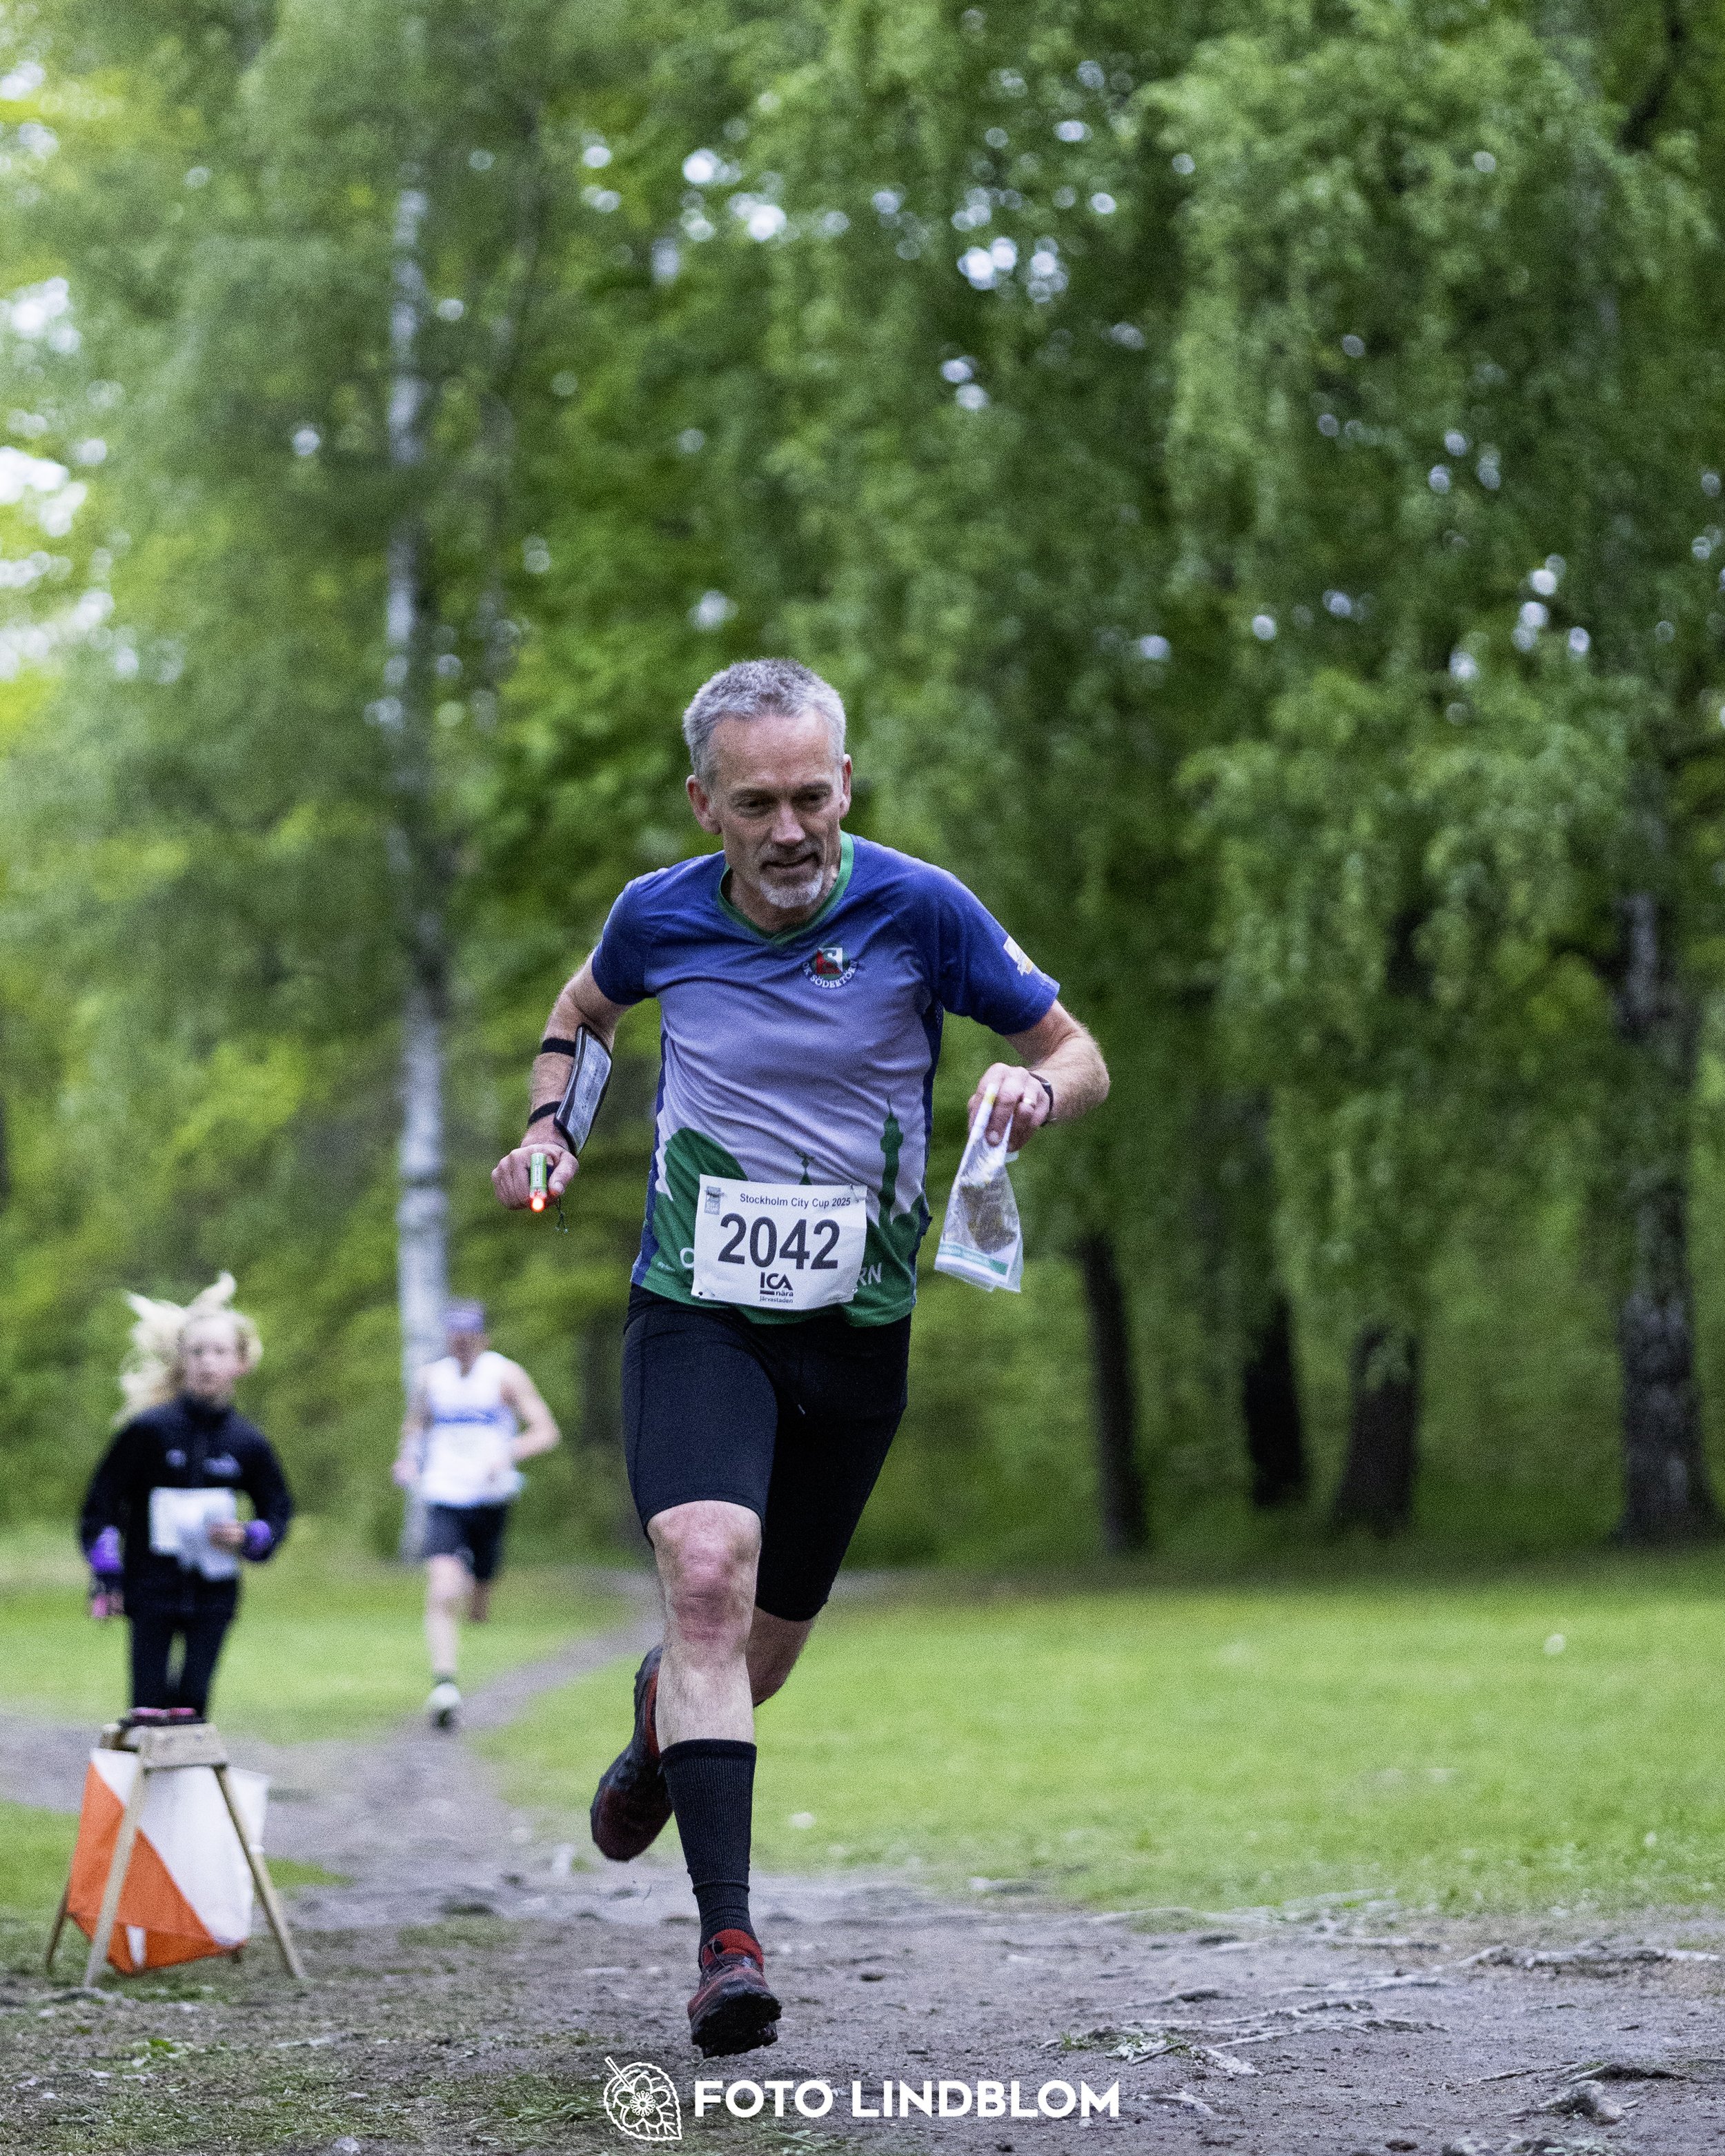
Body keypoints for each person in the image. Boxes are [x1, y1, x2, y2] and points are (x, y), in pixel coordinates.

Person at [491, 659, 1109, 2056]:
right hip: (696, 1313)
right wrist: (551, 1131)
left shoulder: (920, 907)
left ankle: (661, 1733)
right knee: (703, 1576)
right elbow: (581, 1014)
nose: (787, 830)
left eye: (810, 796)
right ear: (702, 800)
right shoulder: (656, 914)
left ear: (847, 786)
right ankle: (727, 1947)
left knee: (750, 1660)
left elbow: (1077, 1051)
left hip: (855, 1334)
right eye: (755, 801)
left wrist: (1030, 1086)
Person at [80, 1274, 293, 1721]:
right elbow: (101, 1503)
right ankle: (140, 1790)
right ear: (181, 1359)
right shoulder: (149, 1431)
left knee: (192, 1703)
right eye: (197, 1351)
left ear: (240, 1361)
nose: (207, 1362)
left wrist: (252, 1535)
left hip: (214, 1592)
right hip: (150, 1587)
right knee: (147, 1708)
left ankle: (185, 1790)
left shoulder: (247, 1441)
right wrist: (107, 1570)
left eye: (219, 1352)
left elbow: (278, 1508)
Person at [393, 1300, 560, 1728]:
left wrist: (509, 1453)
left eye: (469, 1338)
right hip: (445, 1492)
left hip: (490, 1496)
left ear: (483, 1338)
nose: (462, 1346)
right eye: (455, 1338)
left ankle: (479, 1590)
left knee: (480, 1594)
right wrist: (409, 1460)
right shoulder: (432, 1378)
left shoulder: (505, 1376)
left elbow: (546, 1432)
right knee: (442, 1590)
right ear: (448, 1339)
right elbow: (415, 1425)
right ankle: (444, 1684)